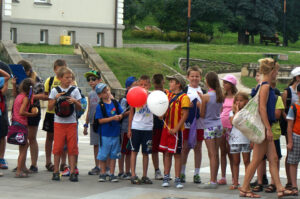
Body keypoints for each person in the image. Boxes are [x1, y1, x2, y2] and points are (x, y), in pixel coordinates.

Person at [239, 58, 293, 198]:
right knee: (257, 159)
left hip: (264, 126)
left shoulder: (262, 85)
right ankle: (245, 188)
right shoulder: (265, 86)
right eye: (277, 71)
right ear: (272, 71)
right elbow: (262, 108)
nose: (277, 74)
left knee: (273, 158)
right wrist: (268, 128)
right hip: (264, 126)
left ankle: (280, 188)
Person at [48, 67, 82, 182]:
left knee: (72, 148)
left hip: (71, 123)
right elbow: (49, 107)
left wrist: (75, 101)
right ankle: (56, 171)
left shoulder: (75, 90)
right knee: (57, 147)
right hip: (59, 123)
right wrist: (55, 99)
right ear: (60, 78)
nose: (69, 80)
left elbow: (80, 107)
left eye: (70, 78)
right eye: (66, 77)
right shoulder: (54, 90)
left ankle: (72, 172)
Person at [13, 60, 45, 173]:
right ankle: (21, 165)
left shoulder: (36, 80)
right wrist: (14, 84)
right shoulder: (19, 80)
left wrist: (31, 96)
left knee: (31, 138)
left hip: (32, 110)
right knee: (22, 139)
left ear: (28, 70)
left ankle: (34, 164)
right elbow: (16, 96)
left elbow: (44, 95)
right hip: (21, 114)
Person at [160, 74, 190, 189]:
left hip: (177, 130)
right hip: (166, 129)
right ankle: (166, 176)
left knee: (177, 154)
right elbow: (162, 111)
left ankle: (177, 178)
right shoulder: (167, 95)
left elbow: (185, 114)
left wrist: (176, 128)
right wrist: (161, 115)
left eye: (172, 81)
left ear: (178, 84)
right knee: (167, 153)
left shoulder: (184, 97)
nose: (169, 83)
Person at [198, 72, 224, 189]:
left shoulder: (206, 97)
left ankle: (212, 181)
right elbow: (220, 110)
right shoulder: (220, 95)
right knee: (216, 153)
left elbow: (202, 114)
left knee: (211, 154)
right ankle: (214, 178)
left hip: (208, 126)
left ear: (207, 81)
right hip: (219, 125)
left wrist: (199, 104)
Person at [128, 75, 153, 185]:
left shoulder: (153, 97)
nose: (143, 87)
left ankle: (145, 175)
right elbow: (131, 113)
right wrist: (129, 129)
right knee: (134, 151)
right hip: (136, 127)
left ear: (149, 85)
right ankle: (133, 174)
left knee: (146, 153)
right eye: (141, 84)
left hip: (148, 128)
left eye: (145, 85)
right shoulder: (135, 95)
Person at [95, 83, 123, 182]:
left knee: (113, 155)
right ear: (99, 95)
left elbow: (121, 112)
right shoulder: (100, 106)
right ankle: (103, 173)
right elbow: (100, 120)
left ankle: (112, 173)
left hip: (115, 133)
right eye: (104, 92)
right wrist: (112, 118)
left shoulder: (115, 103)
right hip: (105, 134)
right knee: (103, 155)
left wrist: (120, 116)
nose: (107, 93)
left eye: (107, 90)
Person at [42, 59, 67, 172]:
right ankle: (48, 161)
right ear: (54, 70)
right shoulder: (50, 80)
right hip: (51, 113)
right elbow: (46, 95)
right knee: (49, 138)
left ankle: (63, 162)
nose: (61, 72)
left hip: (65, 113)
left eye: (63, 70)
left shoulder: (70, 80)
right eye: (58, 70)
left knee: (63, 139)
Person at [181, 66, 204, 184]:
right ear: (188, 77)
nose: (194, 78)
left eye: (197, 76)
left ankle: (196, 174)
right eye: (192, 76)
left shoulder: (203, 92)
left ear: (200, 77)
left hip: (199, 125)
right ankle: (182, 172)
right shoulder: (184, 91)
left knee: (198, 148)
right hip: (186, 124)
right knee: (185, 148)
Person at [12, 78, 37, 177]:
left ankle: (22, 167)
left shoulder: (19, 96)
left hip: (15, 122)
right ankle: (19, 171)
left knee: (23, 145)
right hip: (21, 124)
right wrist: (32, 114)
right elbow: (22, 112)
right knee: (24, 147)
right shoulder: (25, 98)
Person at [281, 66, 300, 189]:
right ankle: (290, 181)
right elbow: (283, 109)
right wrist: (290, 120)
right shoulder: (287, 92)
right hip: (292, 128)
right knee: (290, 154)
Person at [229, 92, 251, 190]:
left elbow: (246, 124)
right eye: (237, 100)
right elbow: (233, 122)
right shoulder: (232, 112)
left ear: (246, 101)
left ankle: (247, 183)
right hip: (235, 139)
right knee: (235, 161)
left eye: (241, 100)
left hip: (246, 139)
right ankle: (235, 182)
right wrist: (236, 111)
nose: (238, 102)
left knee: (246, 161)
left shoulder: (249, 112)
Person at [218, 74, 237, 185]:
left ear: (231, 84)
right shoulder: (222, 97)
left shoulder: (236, 97)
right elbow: (220, 110)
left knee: (231, 152)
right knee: (223, 151)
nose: (224, 84)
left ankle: (234, 177)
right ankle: (223, 176)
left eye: (226, 83)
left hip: (231, 127)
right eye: (223, 82)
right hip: (222, 127)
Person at [83, 70, 102, 175]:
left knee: (104, 144)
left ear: (99, 80)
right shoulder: (90, 94)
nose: (91, 81)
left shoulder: (103, 92)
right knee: (96, 144)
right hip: (93, 122)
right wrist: (86, 124)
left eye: (93, 79)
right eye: (89, 79)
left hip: (103, 122)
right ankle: (97, 165)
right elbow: (89, 109)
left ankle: (105, 166)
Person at [118, 76, 136, 179]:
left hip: (134, 128)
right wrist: (133, 110)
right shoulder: (125, 99)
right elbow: (122, 112)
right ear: (128, 87)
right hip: (124, 128)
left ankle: (128, 171)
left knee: (129, 151)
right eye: (134, 85)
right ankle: (121, 171)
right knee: (122, 151)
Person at [286, 83, 300, 196]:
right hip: (296, 136)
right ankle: (294, 185)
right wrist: (290, 141)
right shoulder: (294, 107)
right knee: (293, 162)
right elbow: (289, 126)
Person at [151, 74, 165, 180]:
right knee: (154, 149)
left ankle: (166, 171)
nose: (158, 89)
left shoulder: (167, 94)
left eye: (159, 87)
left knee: (165, 150)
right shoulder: (152, 95)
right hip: (154, 125)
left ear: (164, 83)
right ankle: (157, 170)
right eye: (156, 87)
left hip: (165, 126)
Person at [0, 66, 11, 173]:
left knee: (2, 133)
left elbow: (7, 77)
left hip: (1, 109)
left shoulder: (2, 65)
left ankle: (1, 158)